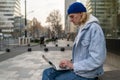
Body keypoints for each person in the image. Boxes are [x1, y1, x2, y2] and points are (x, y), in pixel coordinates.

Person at [42, 2, 106, 80]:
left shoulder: (94, 28)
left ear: (81, 14)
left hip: (87, 75)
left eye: (72, 16)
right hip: (79, 70)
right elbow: (82, 55)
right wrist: (69, 62)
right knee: (47, 72)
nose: (70, 20)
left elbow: (97, 59)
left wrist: (73, 65)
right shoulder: (82, 28)